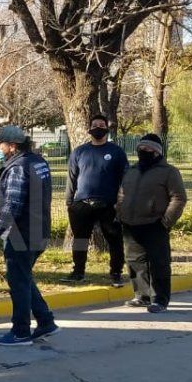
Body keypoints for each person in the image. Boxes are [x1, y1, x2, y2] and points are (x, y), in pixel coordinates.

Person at [0, 125, 57, 347]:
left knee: (19, 283)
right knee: (24, 277)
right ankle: (45, 321)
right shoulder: (38, 162)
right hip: (39, 230)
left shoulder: (18, 168)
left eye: (0, 145)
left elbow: (12, 205)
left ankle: (20, 332)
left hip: (21, 233)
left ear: (12, 146)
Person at [116, 133, 187, 313]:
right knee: (134, 261)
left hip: (155, 224)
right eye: (141, 148)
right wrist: (120, 213)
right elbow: (122, 193)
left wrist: (166, 221)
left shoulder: (169, 172)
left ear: (157, 151)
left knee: (159, 263)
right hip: (130, 224)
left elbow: (178, 198)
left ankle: (160, 299)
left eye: (147, 148)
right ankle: (142, 296)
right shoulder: (131, 171)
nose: (143, 151)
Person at [63, 114, 129, 286]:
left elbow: (125, 178)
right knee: (80, 240)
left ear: (107, 129)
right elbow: (71, 178)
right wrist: (69, 202)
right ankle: (78, 272)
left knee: (114, 240)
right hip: (82, 204)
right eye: (95, 125)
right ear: (89, 129)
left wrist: (120, 202)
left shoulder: (116, 152)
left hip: (108, 205)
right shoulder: (79, 152)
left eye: (101, 125)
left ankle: (116, 272)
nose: (98, 128)